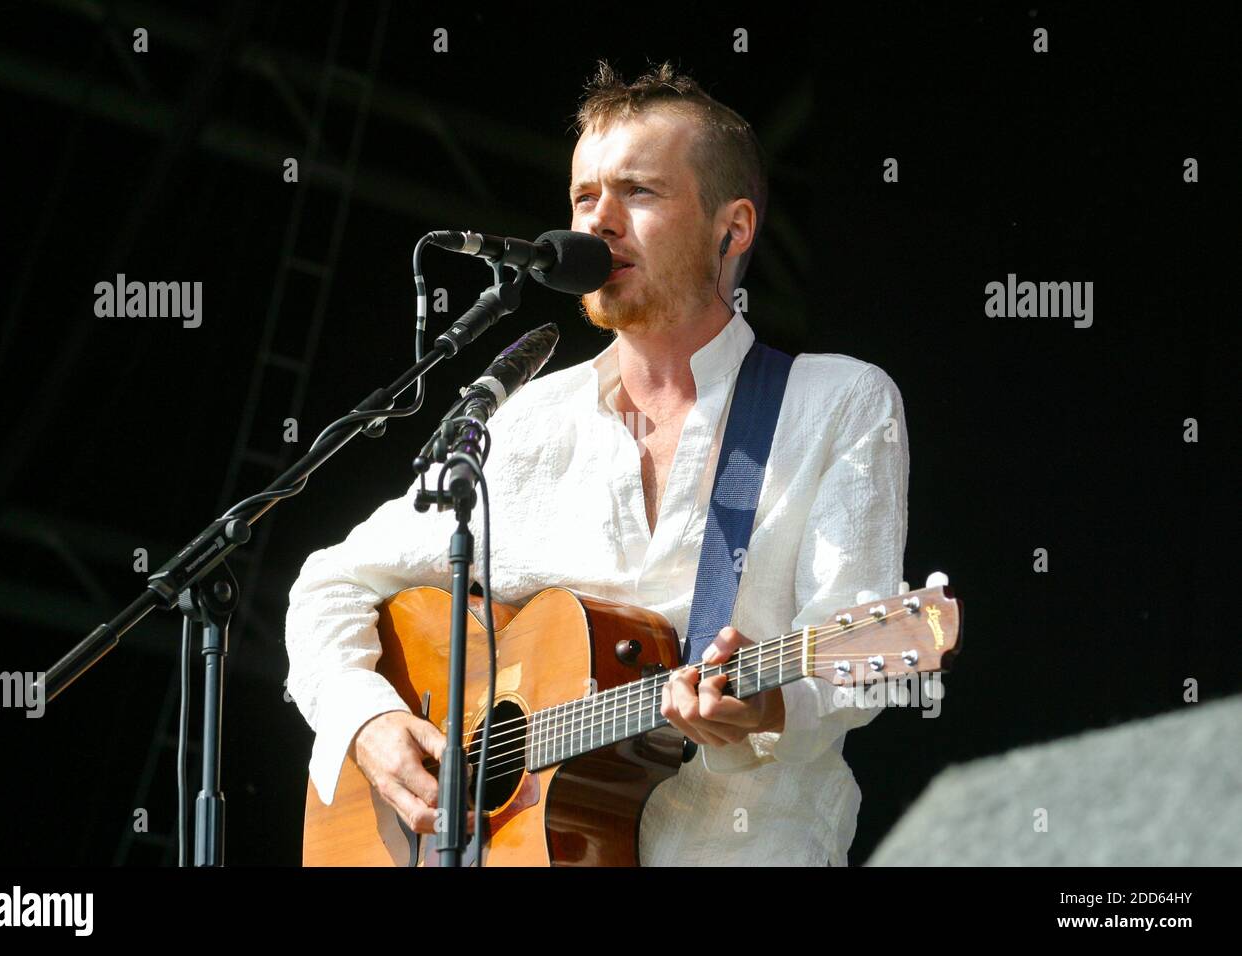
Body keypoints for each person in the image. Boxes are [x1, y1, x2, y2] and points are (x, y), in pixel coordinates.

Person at [285, 60, 909, 866]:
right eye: (585, 197)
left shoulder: (837, 403)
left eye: (639, 193)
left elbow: (863, 667)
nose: (599, 223)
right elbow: (331, 583)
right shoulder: (523, 423)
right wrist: (368, 720)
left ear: (735, 227)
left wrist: (761, 710)